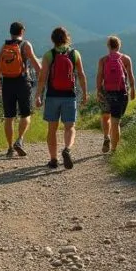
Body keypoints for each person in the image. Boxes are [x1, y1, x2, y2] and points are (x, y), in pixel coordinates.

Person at [34, 26, 88, 170]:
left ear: (53, 39)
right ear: (67, 38)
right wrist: (85, 93)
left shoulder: (48, 55)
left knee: (52, 129)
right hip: (69, 96)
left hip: (52, 96)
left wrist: (38, 96)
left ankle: (53, 159)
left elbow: (42, 78)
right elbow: (81, 75)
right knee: (70, 127)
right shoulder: (74, 54)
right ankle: (67, 149)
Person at [0, 21, 42, 158]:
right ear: (22, 32)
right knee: (25, 115)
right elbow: (35, 63)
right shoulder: (26, 45)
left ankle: (9, 148)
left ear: (11, 32)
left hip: (7, 83)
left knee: (9, 117)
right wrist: (42, 79)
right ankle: (19, 140)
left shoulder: (5, 45)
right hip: (22, 82)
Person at [96, 35, 135, 153]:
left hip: (106, 92)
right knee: (115, 122)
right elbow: (131, 76)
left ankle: (106, 137)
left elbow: (99, 77)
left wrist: (98, 91)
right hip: (121, 94)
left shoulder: (103, 60)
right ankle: (113, 150)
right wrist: (133, 89)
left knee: (105, 116)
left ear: (108, 46)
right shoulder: (126, 59)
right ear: (119, 45)